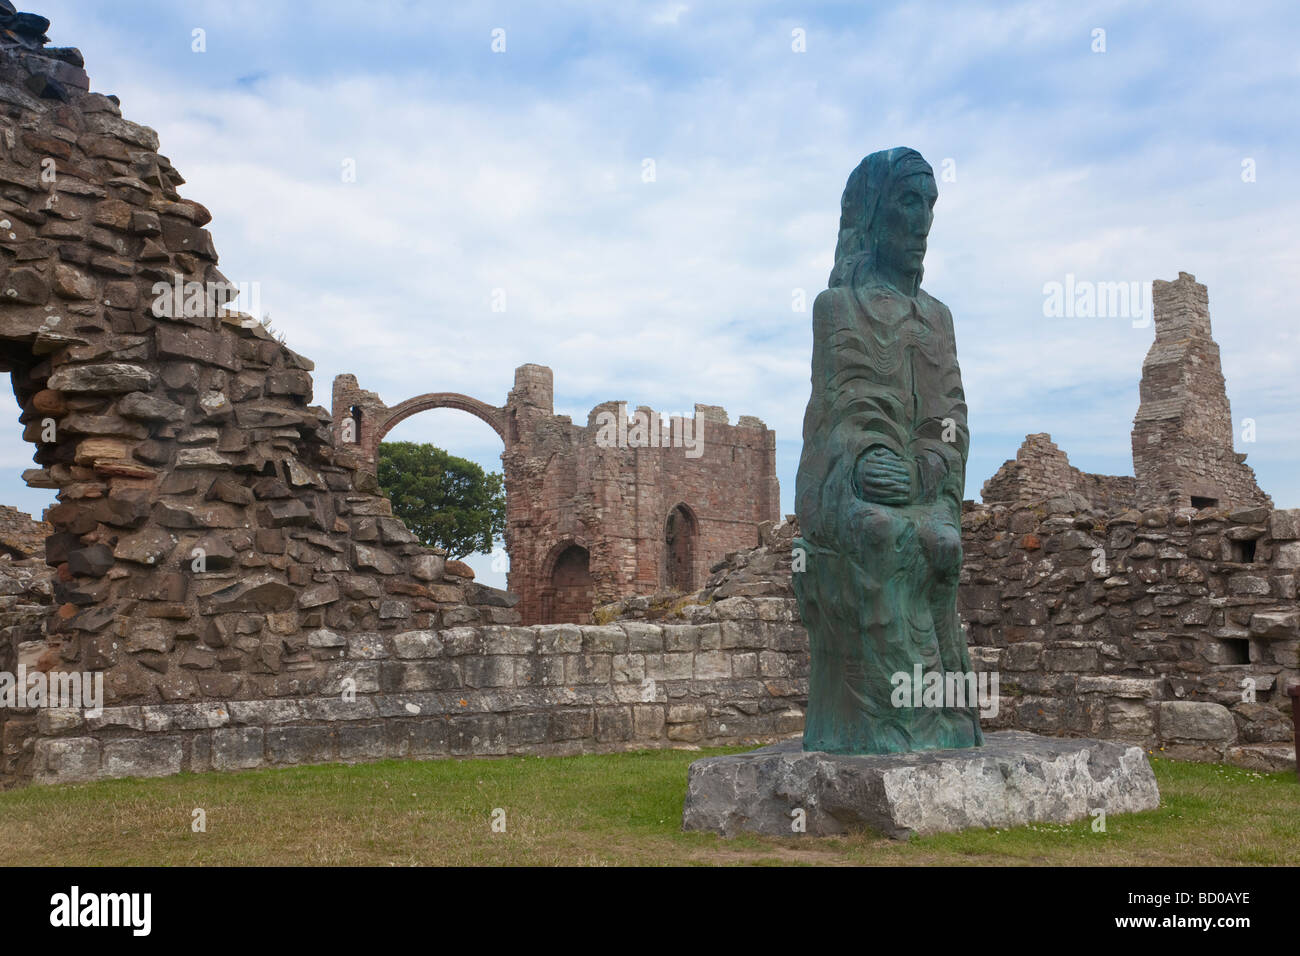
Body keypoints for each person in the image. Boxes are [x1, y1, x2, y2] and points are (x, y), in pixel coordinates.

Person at [793, 147, 984, 754]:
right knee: (881, 534)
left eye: (929, 204)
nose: (922, 220)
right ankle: (888, 723)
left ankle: (941, 723)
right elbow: (837, 408)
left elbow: (950, 415)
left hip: (925, 487)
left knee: (941, 541)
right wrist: (866, 458)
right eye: (908, 202)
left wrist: (928, 469)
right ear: (874, 214)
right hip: (852, 487)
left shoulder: (937, 318)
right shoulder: (837, 308)